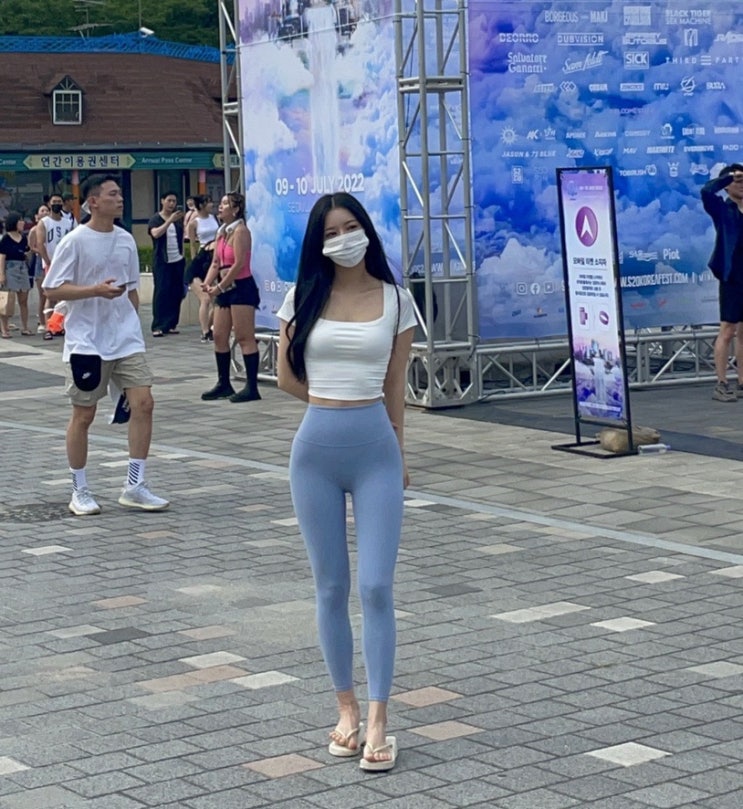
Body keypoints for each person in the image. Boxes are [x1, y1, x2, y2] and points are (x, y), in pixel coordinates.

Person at [276, 193, 417, 772]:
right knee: (330, 587)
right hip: (314, 453)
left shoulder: (397, 300)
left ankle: (381, 717)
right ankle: (347, 710)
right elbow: (284, 376)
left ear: (367, 231)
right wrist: (331, 399)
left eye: (351, 227)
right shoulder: (302, 296)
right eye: (331, 232)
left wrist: (400, 452)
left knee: (376, 586)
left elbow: (395, 385)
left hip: (377, 453)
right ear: (319, 242)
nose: (343, 239)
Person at [42, 173, 169, 516]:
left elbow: (131, 290)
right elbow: (52, 289)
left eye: (120, 193)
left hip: (126, 338)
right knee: (84, 415)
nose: (120, 198)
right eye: (112, 194)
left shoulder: (126, 240)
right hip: (87, 341)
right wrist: (94, 291)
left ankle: (135, 485)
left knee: (144, 403)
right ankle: (79, 489)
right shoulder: (75, 241)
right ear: (93, 202)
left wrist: (135, 325)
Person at [200, 192, 262, 402]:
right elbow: (216, 263)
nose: (221, 206)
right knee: (219, 335)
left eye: (226, 203)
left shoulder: (241, 231)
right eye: (221, 202)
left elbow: (239, 264)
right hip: (224, 289)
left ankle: (251, 387)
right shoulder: (221, 232)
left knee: (244, 336)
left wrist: (220, 286)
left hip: (241, 288)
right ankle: (223, 383)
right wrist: (207, 283)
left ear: (235, 210)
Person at [702, 163, 743, 402]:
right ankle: (721, 383)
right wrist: (728, 178)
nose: (741, 184)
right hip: (732, 277)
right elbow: (706, 191)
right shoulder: (722, 209)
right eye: (738, 181)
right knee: (727, 330)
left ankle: (742, 382)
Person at [148, 191, 185, 337]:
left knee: (176, 292)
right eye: (169, 200)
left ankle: (171, 323)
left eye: (174, 201)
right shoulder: (156, 219)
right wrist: (169, 221)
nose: (171, 204)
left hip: (177, 260)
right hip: (162, 261)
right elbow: (155, 233)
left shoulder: (178, 220)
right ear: (162, 201)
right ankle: (158, 325)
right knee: (161, 292)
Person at [37, 192, 74, 339]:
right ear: (49, 204)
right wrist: (47, 261)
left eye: (59, 202)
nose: (57, 204)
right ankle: (48, 327)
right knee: (50, 296)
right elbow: (40, 244)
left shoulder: (68, 222)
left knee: (63, 297)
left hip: (65, 264)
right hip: (51, 263)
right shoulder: (44, 222)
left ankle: (59, 325)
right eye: (54, 202)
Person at [185, 195, 219, 342]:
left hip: (213, 258)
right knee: (205, 298)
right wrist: (194, 259)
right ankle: (205, 332)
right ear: (201, 205)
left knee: (216, 300)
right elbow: (192, 245)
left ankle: (210, 327)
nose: (211, 205)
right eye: (208, 202)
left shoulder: (214, 218)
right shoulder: (194, 223)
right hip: (201, 260)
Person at [0, 212, 32, 337]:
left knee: (23, 299)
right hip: (10, 267)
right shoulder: (6, 239)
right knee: (8, 299)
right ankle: (4, 329)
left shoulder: (23, 238)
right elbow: (2, 257)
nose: (22, 223)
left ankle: (25, 327)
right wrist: (1, 274)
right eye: (20, 220)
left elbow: (27, 250)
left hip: (22, 267)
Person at [27, 203, 50, 333]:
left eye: (47, 210)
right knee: (43, 295)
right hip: (40, 262)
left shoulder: (52, 227)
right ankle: (42, 322)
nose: (45, 212)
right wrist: (43, 252)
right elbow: (32, 247)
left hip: (52, 262)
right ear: (37, 215)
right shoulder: (34, 230)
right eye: (42, 210)